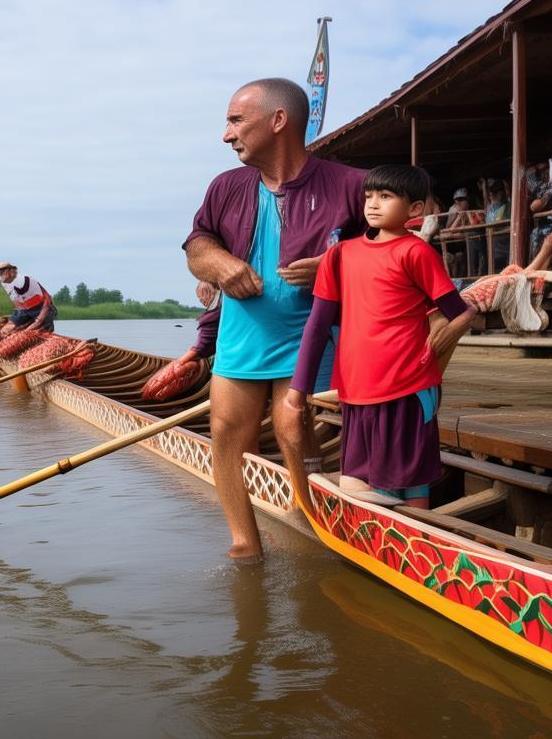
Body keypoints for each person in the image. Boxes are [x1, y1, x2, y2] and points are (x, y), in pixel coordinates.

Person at [182, 77, 368, 559]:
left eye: (237, 120)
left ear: (278, 121)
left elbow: (394, 247)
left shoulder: (350, 184)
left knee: (295, 430)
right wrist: (219, 264)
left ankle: (312, 527)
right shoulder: (226, 187)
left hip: (312, 339)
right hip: (241, 339)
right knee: (225, 434)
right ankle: (244, 542)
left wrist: (338, 262)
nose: (227, 134)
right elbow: (198, 244)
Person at [282, 164, 473, 509]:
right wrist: (298, 391)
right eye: (369, 195)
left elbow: (459, 311)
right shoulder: (339, 255)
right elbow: (317, 324)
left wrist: (443, 341)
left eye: (385, 197)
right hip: (355, 391)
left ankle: (419, 546)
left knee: (412, 487)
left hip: (408, 390)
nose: (372, 204)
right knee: (355, 481)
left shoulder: (416, 253)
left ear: (414, 210)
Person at [0, 261, 56, 332]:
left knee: (36, 332)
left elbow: (47, 304)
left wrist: (38, 321)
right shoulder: (5, 284)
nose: (0, 276)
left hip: (42, 308)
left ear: (9, 271)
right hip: (24, 310)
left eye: (2, 273)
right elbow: (16, 303)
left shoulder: (27, 280)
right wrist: (15, 319)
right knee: (5, 330)